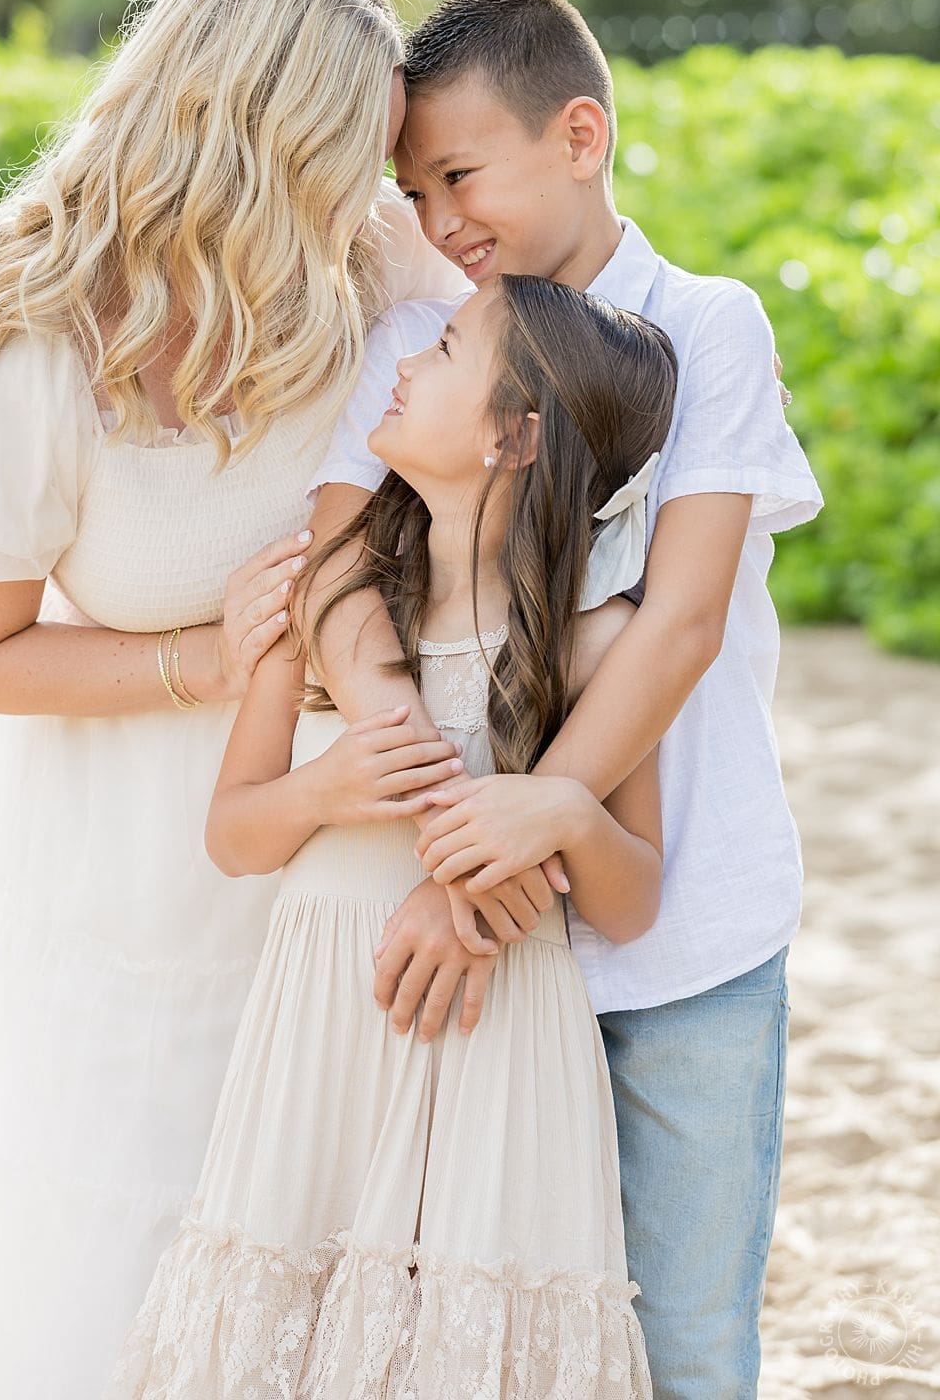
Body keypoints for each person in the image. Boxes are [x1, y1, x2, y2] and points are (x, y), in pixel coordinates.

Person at [0, 0, 468, 1400]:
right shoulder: (34, 339)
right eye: (343, 157)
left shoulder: (373, 258)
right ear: (252, 139)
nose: (371, 193)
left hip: (331, 880)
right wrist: (212, 654)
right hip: (121, 902)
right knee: (98, 1287)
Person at [302, 0, 824, 1400]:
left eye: (460, 175)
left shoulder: (705, 328)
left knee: (687, 1340)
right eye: (414, 192)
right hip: (450, 926)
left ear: (579, 133)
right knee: (476, 1335)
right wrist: (421, 773)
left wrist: (511, 851)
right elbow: (335, 576)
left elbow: (679, 622)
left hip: (680, 930)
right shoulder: (419, 351)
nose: (439, 221)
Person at [107, 274, 678, 1398]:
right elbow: (235, 834)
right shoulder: (331, 608)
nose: (408, 362)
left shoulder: (595, 647)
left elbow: (631, 899)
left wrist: (560, 814)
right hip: (327, 1018)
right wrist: (325, 790)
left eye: (450, 349)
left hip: (502, 1030)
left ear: (516, 436)